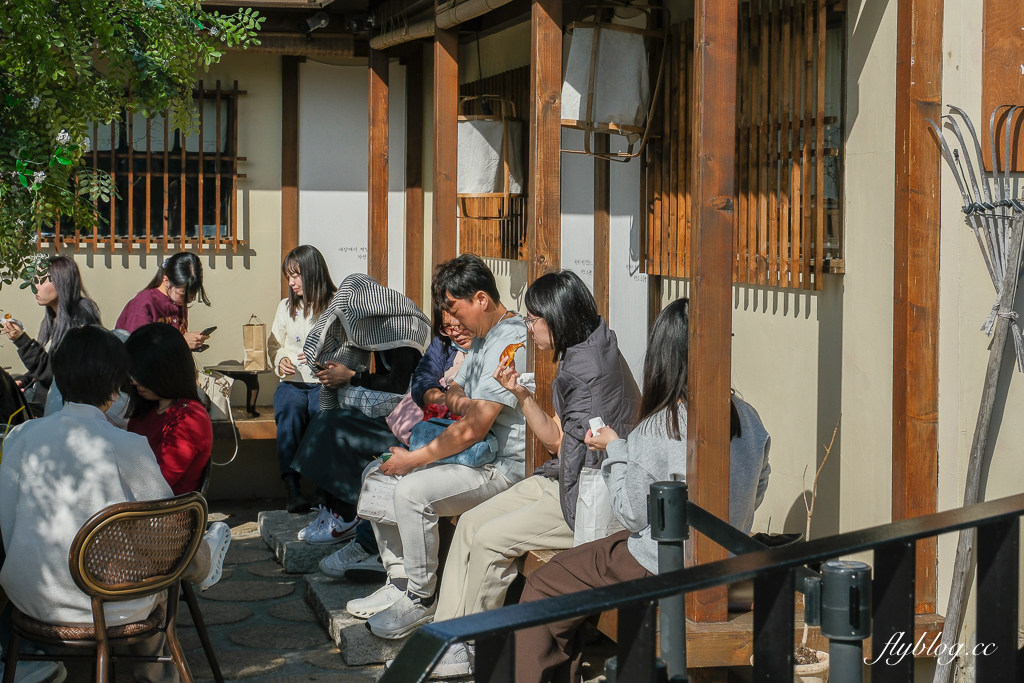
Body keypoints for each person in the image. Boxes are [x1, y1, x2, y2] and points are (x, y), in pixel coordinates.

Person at [513, 298, 772, 683]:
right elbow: (759, 486)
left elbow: (632, 513)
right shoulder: (748, 416)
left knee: (542, 584)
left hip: (660, 564)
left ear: (662, 355)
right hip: (733, 564)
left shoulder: (660, 426)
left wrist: (615, 449)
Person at [423, 270, 640, 678]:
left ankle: (470, 644)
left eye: (533, 319)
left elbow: (574, 460)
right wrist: (522, 394)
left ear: (556, 318)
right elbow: (559, 440)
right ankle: (449, 634)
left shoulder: (586, 371)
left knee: (489, 540)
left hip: (588, 492)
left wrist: (579, 536)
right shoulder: (587, 346)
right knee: (470, 523)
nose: (528, 326)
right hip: (562, 475)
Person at [0, 325, 230, 683]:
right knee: (159, 554)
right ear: (114, 387)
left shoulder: (21, 437)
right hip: (110, 605)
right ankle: (159, 669)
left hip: (29, 599)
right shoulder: (127, 445)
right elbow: (163, 532)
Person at [353, 254, 528, 641]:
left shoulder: (512, 339)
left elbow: (473, 430)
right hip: (474, 456)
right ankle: (398, 580)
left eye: (455, 309)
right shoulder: (484, 337)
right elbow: (455, 392)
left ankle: (420, 597)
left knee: (412, 491)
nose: (452, 323)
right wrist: (466, 406)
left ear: (481, 299)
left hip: (502, 467)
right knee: (375, 474)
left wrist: (414, 458)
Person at [317, 306, 476, 583]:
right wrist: (442, 398)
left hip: (460, 446)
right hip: (427, 429)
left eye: (459, 324)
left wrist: (415, 456)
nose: (455, 332)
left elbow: (471, 421)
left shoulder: (486, 348)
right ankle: (384, 559)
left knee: (399, 479)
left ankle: (397, 570)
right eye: (447, 327)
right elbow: (421, 383)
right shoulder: (443, 343)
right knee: (374, 468)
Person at [290, 273, 431, 546]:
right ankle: (333, 510)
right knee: (327, 419)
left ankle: (347, 515)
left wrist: (351, 376)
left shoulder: (403, 326)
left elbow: (397, 383)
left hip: (407, 425)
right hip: (390, 413)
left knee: (334, 427)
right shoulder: (379, 325)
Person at [268, 245, 337, 513]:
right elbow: (274, 345)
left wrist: (326, 361)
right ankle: (292, 488)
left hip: (324, 382)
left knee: (323, 412)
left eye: (296, 275)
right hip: (292, 383)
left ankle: (323, 488)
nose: (292, 282)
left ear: (312, 272)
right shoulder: (286, 307)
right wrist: (280, 361)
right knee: (288, 410)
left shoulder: (334, 304)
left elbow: (346, 346)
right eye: (289, 277)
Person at [125, 323, 214, 496]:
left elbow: (156, 482)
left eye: (140, 374)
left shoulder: (190, 417)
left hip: (165, 515)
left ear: (164, 370)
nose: (134, 382)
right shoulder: (148, 407)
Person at [1, 255, 101, 408]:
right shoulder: (53, 318)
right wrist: (26, 380)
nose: (35, 285)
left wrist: (22, 341)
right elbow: (46, 365)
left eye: (43, 280)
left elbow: (57, 375)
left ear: (62, 282)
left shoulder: (80, 321)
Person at [116, 252, 211, 350]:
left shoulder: (177, 301)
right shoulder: (143, 303)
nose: (184, 301)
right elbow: (138, 348)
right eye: (182, 295)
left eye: (190, 298)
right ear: (166, 281)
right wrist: (182, 342)